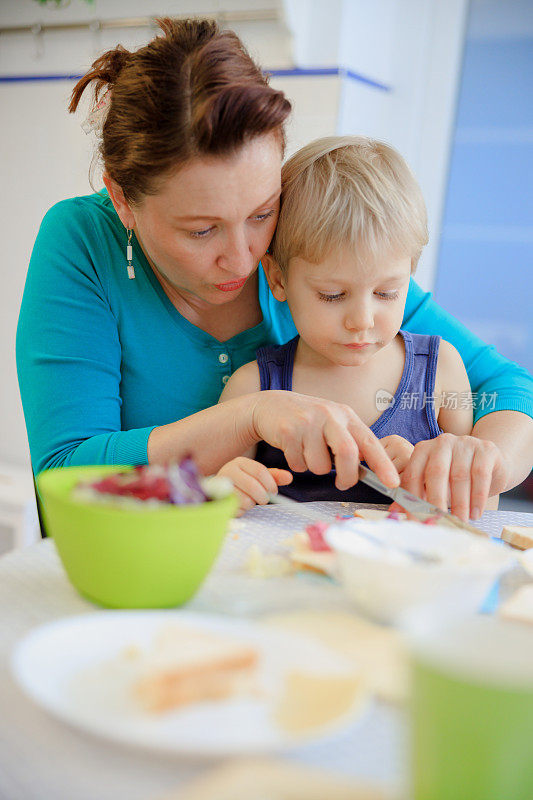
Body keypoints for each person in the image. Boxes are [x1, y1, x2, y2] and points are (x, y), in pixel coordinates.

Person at [16, 18, 533, 525]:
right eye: (201, 230)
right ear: (123, 201)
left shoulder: (306, 240)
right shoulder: (83, 243)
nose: (244, 259)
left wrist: (473, 463)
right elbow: (62, 478)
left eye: (262, 213)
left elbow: (509, 390)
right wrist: (247, 416)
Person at [217, 136, 497, 513]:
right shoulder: (252, 388)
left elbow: (481, 507)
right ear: (278, 279)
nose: (362, 320)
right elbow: (217, 504)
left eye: (387, 292)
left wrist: (427, 481)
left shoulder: (442, 371)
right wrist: (222, 489)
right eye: (332, 295)